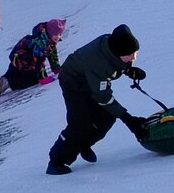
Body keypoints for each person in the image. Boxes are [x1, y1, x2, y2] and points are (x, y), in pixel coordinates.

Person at [46, 24, 149, 175]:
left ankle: (85, 144)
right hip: (73, 83)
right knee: (79, 123)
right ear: (119, 52)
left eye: (135, 53)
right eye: (130, 55)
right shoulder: (97, 62)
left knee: (106, 117)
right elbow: (103, 96)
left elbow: (114, 61)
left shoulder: (114, 45)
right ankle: (56, 161)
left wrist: (128, 69)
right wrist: (128, 119)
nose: (133, 57)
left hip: (90, 80)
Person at [0, 18, 65, 101]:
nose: (58, 37)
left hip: (25, 61)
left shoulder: (50, 41)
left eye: (60, 34)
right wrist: (43, 78)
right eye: (56, 34)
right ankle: (5, 85)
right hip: (20, 59)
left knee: (20, 76)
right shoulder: (41, 42)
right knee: (32, 79)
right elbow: (39, 60)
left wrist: (56, 68)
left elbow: (52, 54)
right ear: (50, 32)